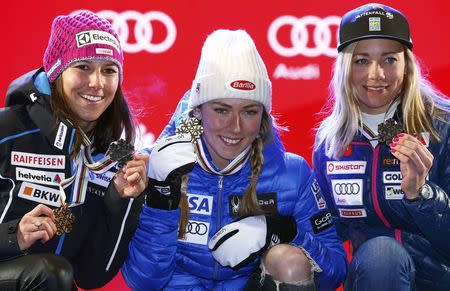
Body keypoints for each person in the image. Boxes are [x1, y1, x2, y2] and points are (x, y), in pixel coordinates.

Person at [122, 29, 347, 290]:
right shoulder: (154, 166)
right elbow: (144, 281)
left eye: (249, 112)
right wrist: (161, 197)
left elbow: (336, 269)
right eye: (222, 110)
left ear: (263, 116)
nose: (236, 127)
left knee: (289, 261)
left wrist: (281, 230)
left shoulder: (292, 174)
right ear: (198, 111)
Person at [0, 10, 148, 290]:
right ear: (57, 72)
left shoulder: (111, 158)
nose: (97, 83)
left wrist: (121, 201)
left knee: (56, 275)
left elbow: (90, 276)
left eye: (109, 70)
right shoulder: (7, 130)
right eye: (83, 67)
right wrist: (13, 235)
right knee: (50, 274)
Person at [313, 3, 450, 291]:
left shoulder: (443, 127)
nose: (376, 74)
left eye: (389, 59)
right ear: (345, 66)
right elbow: (328, 234)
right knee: (380, 256)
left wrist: (420, 195)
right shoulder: (331, 140)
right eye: (362, 60)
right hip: (371, 277)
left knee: (382, 253)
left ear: (407, 64)